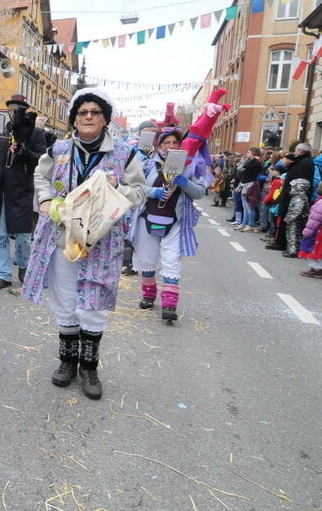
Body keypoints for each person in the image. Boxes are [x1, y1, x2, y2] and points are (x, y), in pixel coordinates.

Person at [21, 88, 146, 400]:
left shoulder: (124, 154)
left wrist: (118, 189)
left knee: (95, 303)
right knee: (65, 301)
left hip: (102, 242)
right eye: (82, 113)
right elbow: (41, 176)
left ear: (105, 119)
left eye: (95, 113)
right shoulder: (59, 148)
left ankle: (89, 368)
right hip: (63, 236)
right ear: (74, 120)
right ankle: (67, 363)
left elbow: (141, 191)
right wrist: (48, 200)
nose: (88, 117)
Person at [129, 126, 206, 321]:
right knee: (147, 259)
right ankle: (148, 295)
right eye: (167, 142)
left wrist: (185, 183)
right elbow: (132, 186)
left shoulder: (189, 165)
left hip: (175, 221)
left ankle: (169, 305)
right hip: (147, 217)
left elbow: (200, 192)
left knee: (171, 260)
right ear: (160, 144)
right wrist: (152, 192)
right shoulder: (146, 164)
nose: (171, 146)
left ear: (180, 145)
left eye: (175, 142)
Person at [0, 95, 47, 289]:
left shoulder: (35, 133)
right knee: (0, 234)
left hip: (22, 189)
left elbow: (42, 159)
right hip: (0, 188)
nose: (13, 111)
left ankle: (24, 266)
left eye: (17, 108)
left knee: (23, 234)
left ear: (24, 110)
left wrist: (24, 152)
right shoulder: (1, 132)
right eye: (10, 108)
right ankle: (4, 274)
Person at [298, 179, 322, 277]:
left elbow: (315, 219)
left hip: (319, 230)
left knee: (314, 248)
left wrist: (307, 231)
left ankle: (317, 269)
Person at [234, 147, 262, 232]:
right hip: (244, 184)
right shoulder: (249, 161)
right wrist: (239, 186)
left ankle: (250, 224)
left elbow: (245, 167)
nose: (247, 153)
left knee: (250, 206)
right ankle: (244, 223)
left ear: (253, 153)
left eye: (249, 152)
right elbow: (239, 168)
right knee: (245, 206)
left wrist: (252, 160)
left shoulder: (256, 163)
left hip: (251, 185)